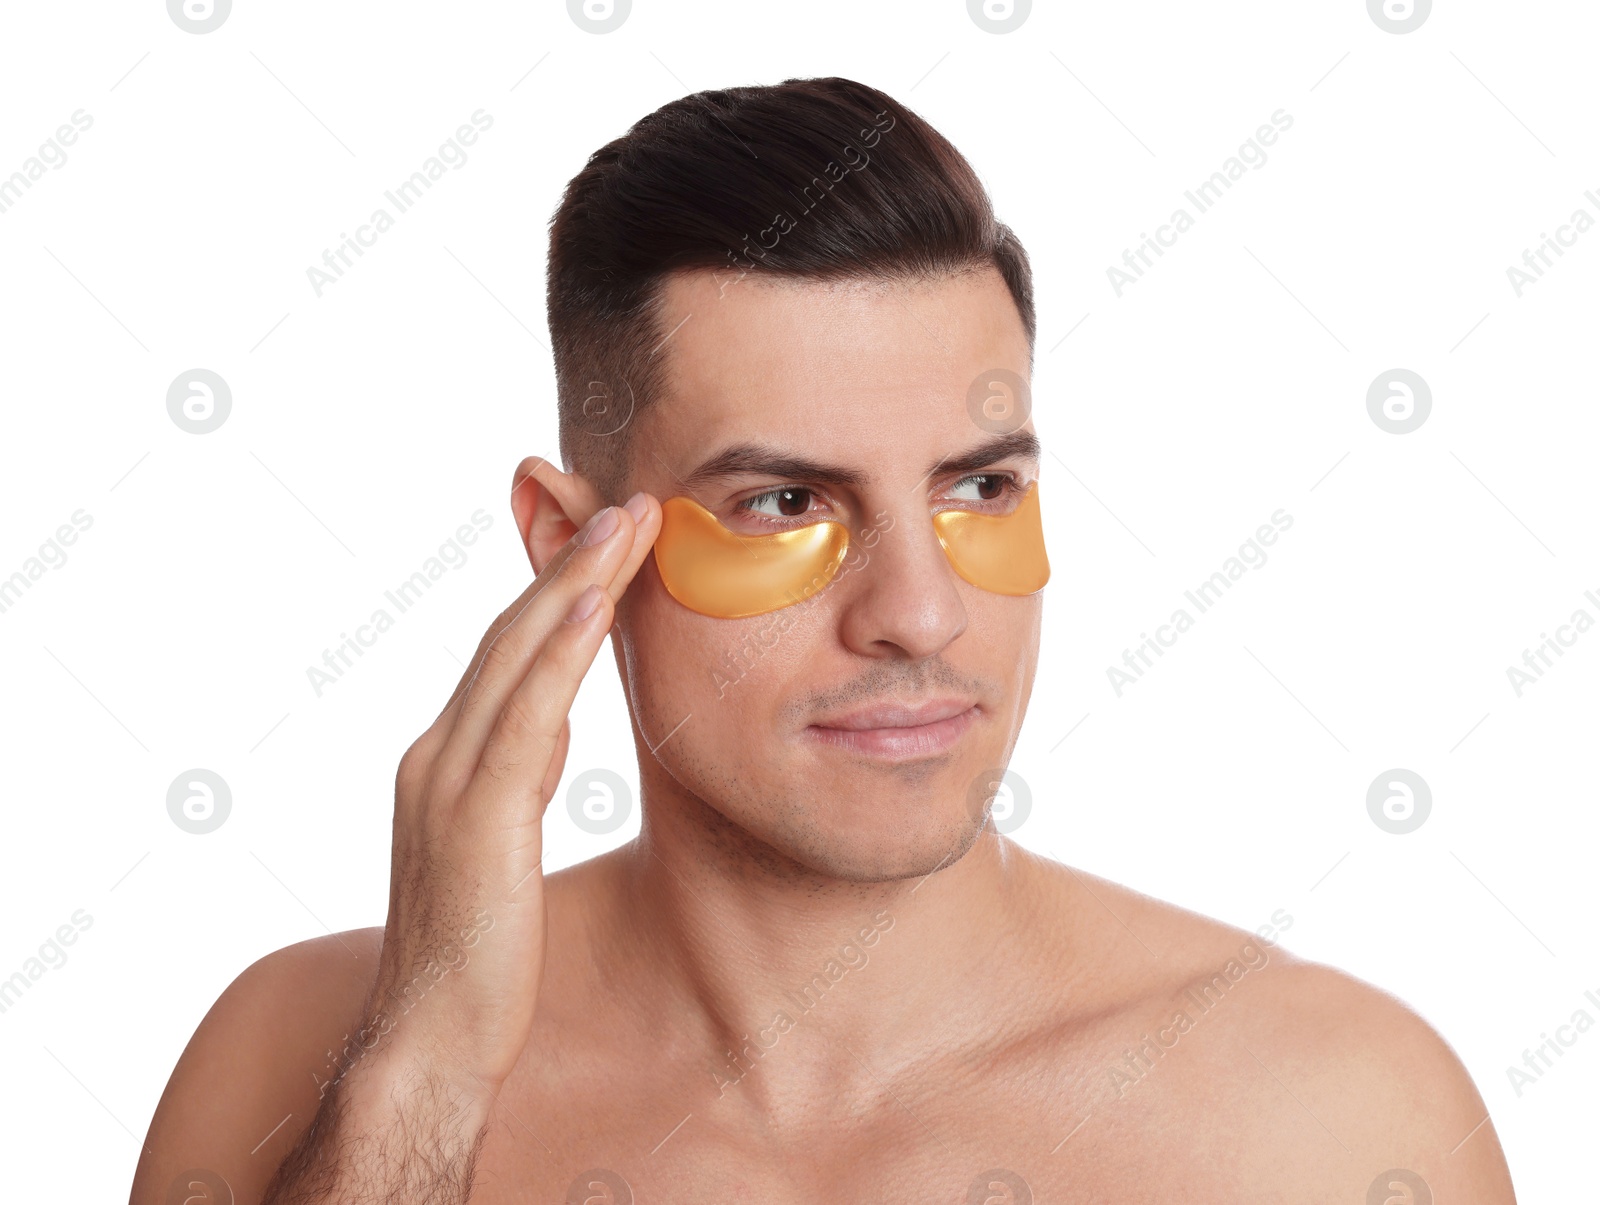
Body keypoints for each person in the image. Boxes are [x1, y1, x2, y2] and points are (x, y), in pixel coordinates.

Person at [130, 77, 1516, 1203]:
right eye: (786, 502)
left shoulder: (1332, 1122)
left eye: (980, 487)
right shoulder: (294, 1059)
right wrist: (419, 1074)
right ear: (572, 551)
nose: (919, 611)